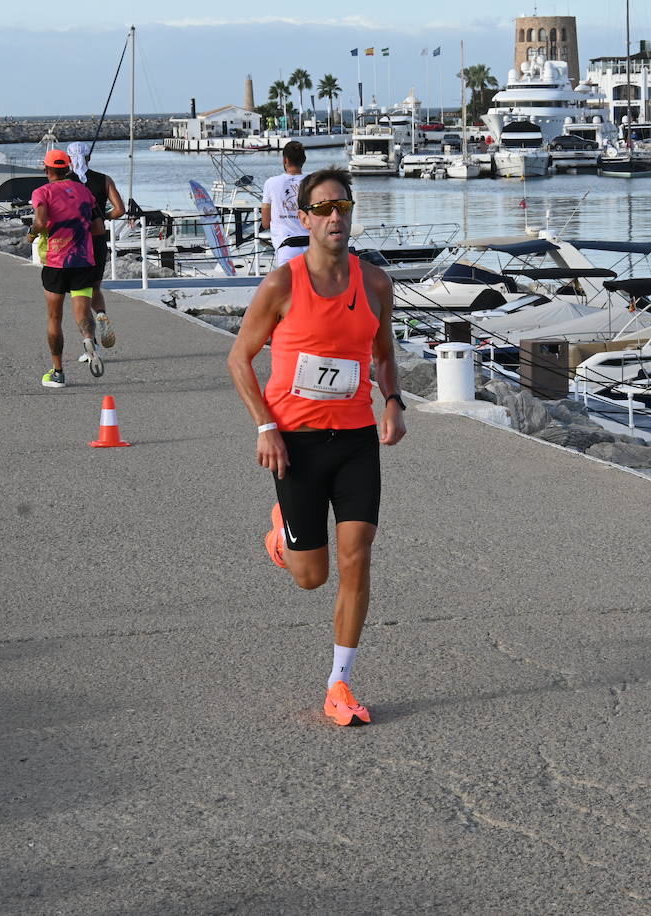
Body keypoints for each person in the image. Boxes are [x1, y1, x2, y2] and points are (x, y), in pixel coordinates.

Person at [227, 167, 407, 727]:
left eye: (344, 206)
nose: (336, 216)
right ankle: (284, 529)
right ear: (302, 218)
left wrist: (394, 400)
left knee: (358, 557)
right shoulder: (282, 285)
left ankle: (340, 682)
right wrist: (265, 427)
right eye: (324, 208)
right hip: (297, 444)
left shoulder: (375, 283)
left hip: (355, 440)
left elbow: (382, 353)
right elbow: (239, 360)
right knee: (313, 577)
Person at [26, 149, 102, 389]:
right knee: (81, 313)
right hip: (83, 262)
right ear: (67, 168)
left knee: (54, 318)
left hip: (56, 264)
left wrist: (31, 235)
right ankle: (89, 340)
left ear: (46, 169)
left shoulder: (42, 192)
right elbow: (98, 228)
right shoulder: (84, 191)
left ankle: (58, 372)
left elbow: (39, 221)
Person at [65, 142, 124, 356]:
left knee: (79, 293)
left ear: (69, 159)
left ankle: (90, 343)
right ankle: (100, 313)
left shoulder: (65, 183)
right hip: (98, 240)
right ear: (89, 158)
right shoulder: (104, 179)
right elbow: (120, 210)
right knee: (95, 287)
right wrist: (101, 217)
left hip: (75, 242)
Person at [261, 140, 309, 266]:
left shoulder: (271, 183)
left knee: (288, 285)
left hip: (286, 247)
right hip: (312, 246)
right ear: (303, 160)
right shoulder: (313, 182)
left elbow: (265, 223)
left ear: (285, 160)